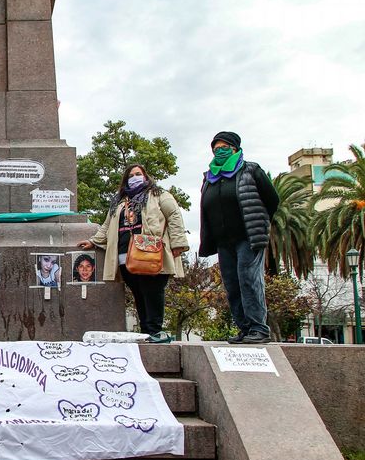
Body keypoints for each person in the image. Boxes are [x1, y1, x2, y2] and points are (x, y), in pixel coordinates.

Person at [77, 164, 189, 342]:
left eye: (138, 174)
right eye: (131, 175)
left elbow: (174, 216)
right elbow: (107, 226)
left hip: (151, 253)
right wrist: (93, 241)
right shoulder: (120, 202)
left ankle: (155, 331)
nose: (135, 177)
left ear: (145, 177)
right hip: (126, 257)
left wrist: (178, 243)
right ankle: (147, 332)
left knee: (152, 291)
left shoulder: (159, 195)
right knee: (139, 293)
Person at [199, 131, 279, 344]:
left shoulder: (250, 170)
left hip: (248, 237)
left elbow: (272, 200)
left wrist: (259, 221)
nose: (219, 152)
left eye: (224, 148)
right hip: (223, 240)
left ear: (235, 149)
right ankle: (244, 328)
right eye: (216, 149)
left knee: (248, 279)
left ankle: (259, 328)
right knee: (232, 284)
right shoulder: (209, 177)